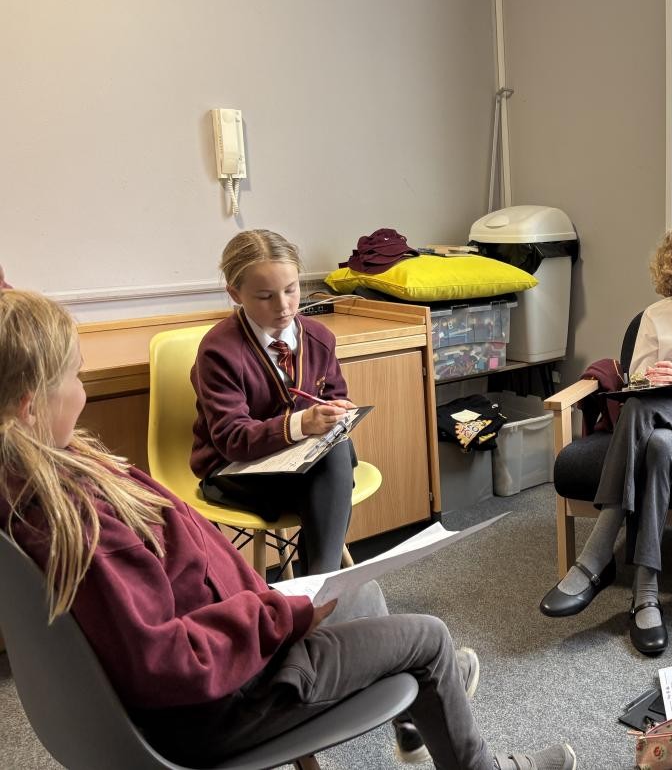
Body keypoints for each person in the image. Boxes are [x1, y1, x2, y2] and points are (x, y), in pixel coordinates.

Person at [0, 288, 575, 770]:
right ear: (29, 405)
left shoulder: (33, 477)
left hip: (228, 646)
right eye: (74, 376)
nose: (84, 389)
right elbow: (168, 661)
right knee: (430, 639)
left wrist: (276, 604)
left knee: (364, 593)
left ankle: (420, 704)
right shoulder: (79, 521)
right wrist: (282, 615)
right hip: (226, 697)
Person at [538, 216, 672, 655]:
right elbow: (636, 379)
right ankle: (646, 592)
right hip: (660, 418)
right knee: (657, 443)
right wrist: (658, 376)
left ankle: (596, 555)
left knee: (641, 413)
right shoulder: (655, 315)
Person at [191, 229, 356, 576]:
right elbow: (232, 440)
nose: (283, 306)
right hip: (235, 469)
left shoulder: (319, 337)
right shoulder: (219, 351)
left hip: (303, 465)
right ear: (235, 294)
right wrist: (301, 424)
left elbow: (335, 395)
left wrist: (339, 412)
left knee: (335, 455)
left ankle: (315, 589)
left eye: (291, 290)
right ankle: (323, 585)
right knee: (331, 475)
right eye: (265, 296)